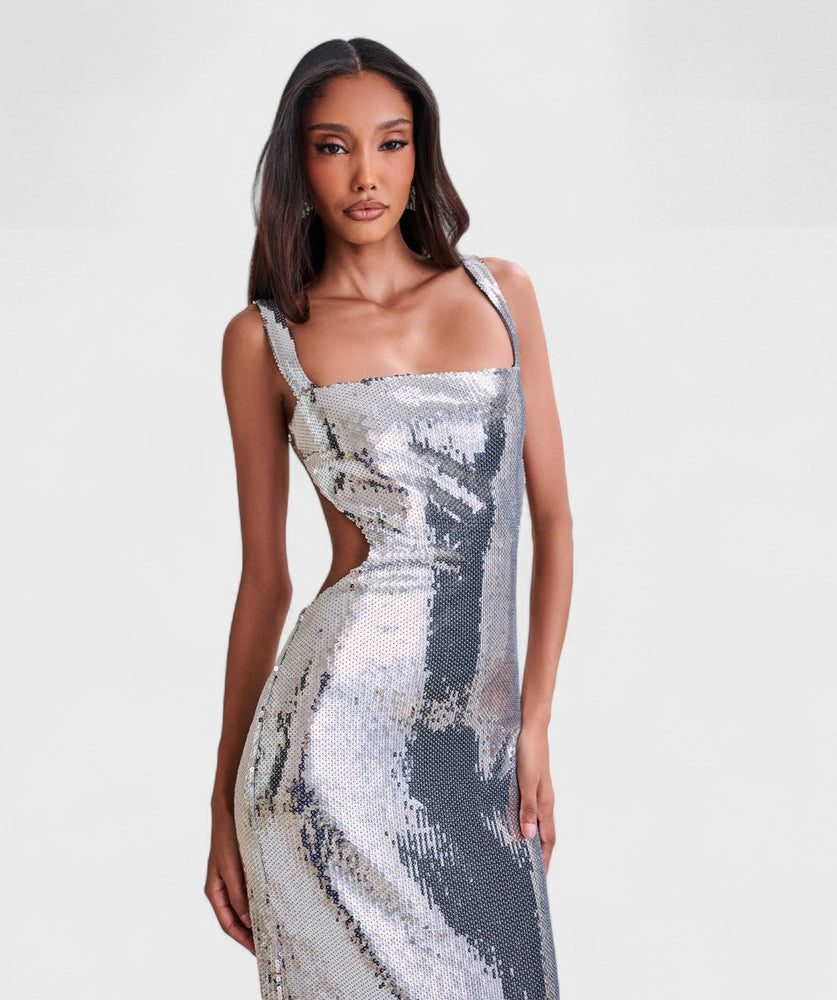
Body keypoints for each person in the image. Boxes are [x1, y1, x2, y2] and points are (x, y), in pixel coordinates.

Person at [207, 36, 573, 1000]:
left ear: (421, 154)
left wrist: (534, 725)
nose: (365, 175)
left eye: (390, 142)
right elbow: (265, 582)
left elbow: (556, 524)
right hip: (329, 754)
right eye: (333, 147)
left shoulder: (502, 294)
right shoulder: (264, 339)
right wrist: (221, 804)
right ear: (300, 166)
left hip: (481, 752)